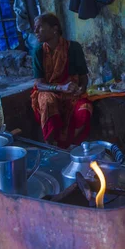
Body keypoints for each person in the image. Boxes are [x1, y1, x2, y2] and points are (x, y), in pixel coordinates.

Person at [30, 13, 93, 148]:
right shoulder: (38, 52)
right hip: (48, 90)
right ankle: (50, 145)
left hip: (70, 92)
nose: (35, 31)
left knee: (85, 109)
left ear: (55, 29)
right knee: (48, 102)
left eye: (40, 27)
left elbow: (83, 77)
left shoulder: (74, 48)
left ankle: (68, 144)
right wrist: (60, 88)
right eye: (35, 28)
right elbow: (39, 84)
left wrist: (81, 88)